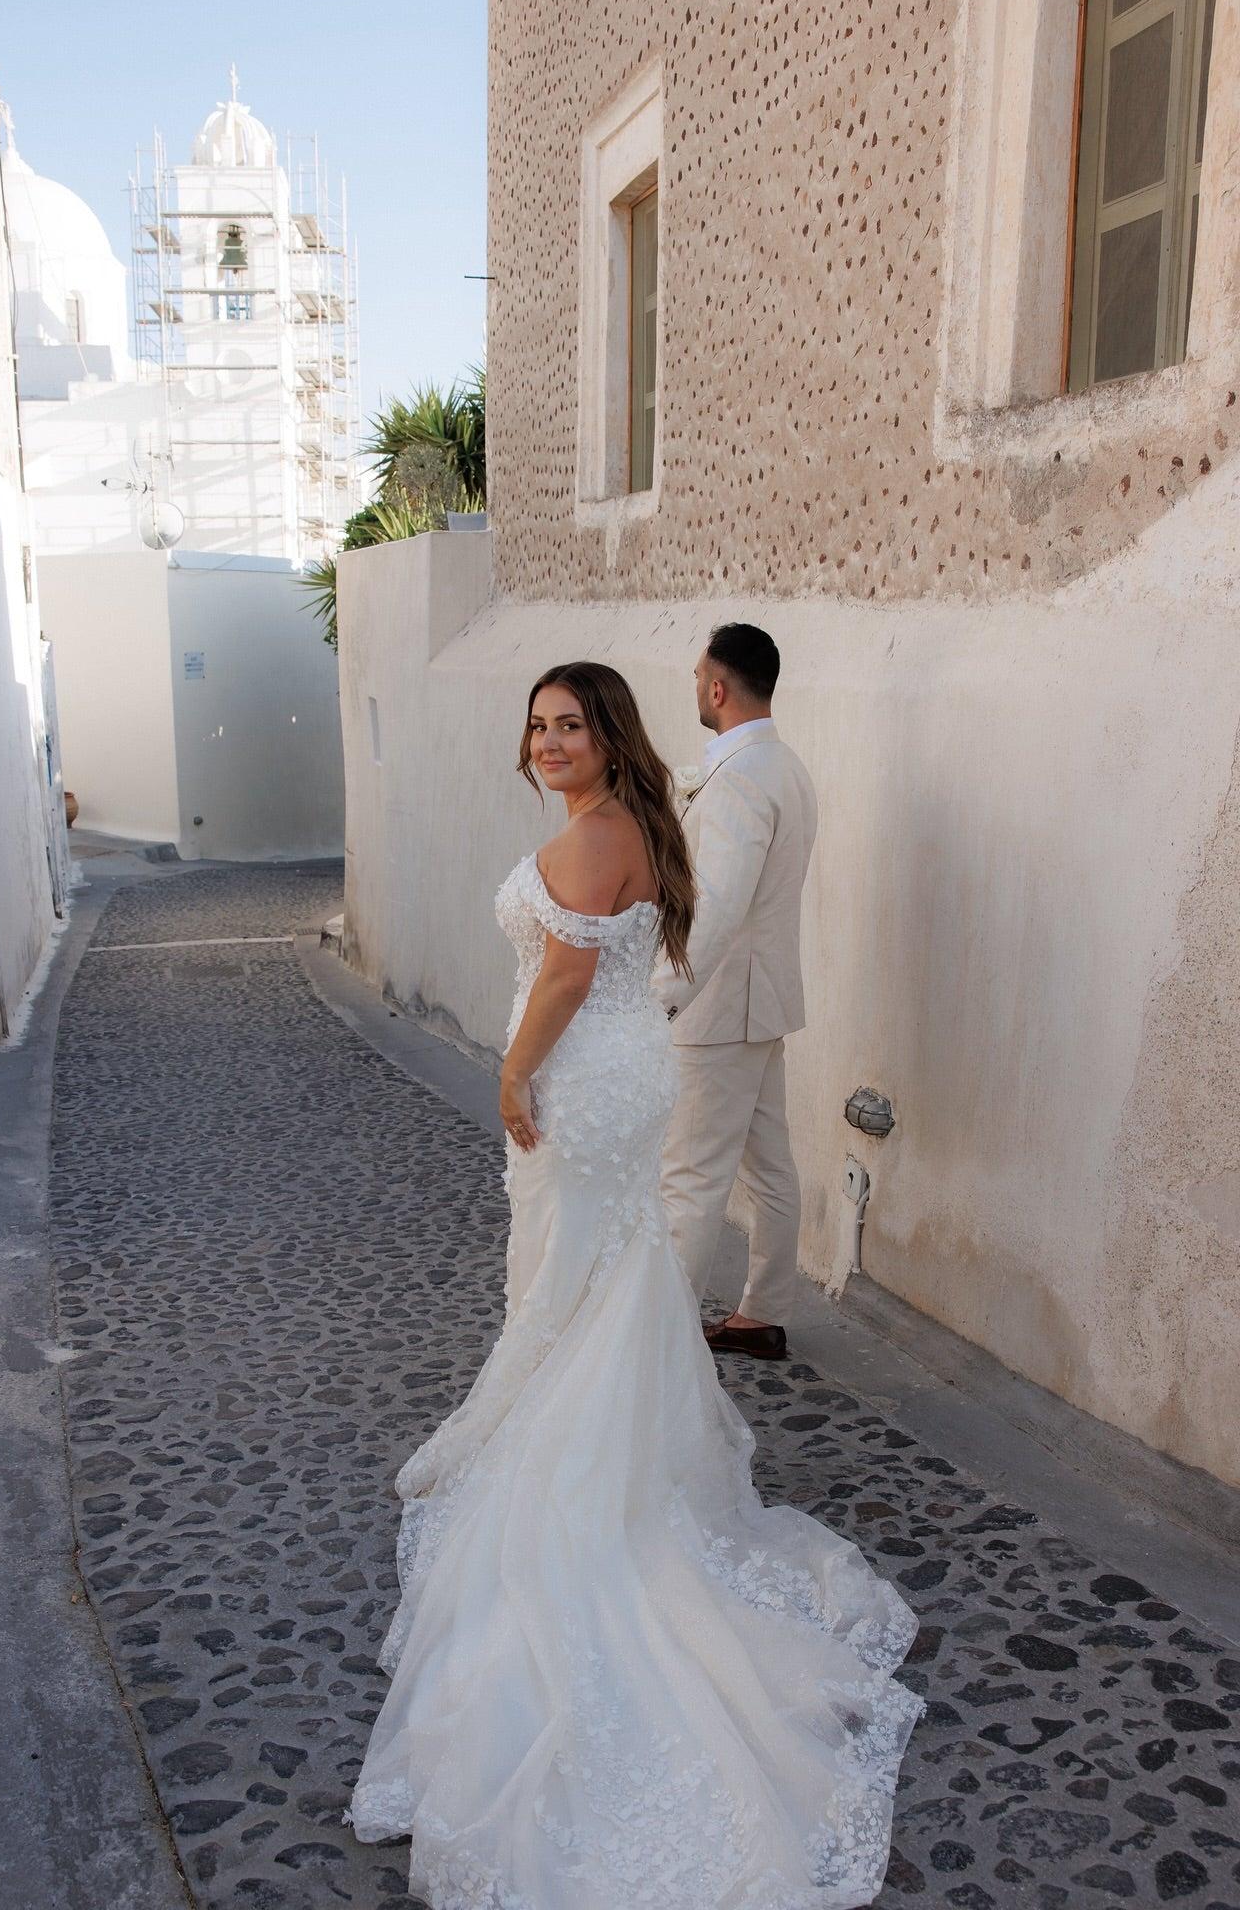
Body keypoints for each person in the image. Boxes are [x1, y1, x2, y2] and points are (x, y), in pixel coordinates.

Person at [346, 660, 920, 1910]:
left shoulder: (596, 835)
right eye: (537, 724)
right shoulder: (634, 824)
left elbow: (560, 978)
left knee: (569, 1277)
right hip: (620, 1072)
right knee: (598, 1273)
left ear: (610, 737)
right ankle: (601, 1447)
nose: (549, 741)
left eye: (571, 724)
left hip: (582, 1078)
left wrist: (510, 1074)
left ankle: (572, 1477)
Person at [656, 622, 817, 1360]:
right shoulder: (787, 767)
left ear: (718, 688)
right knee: (770, 1166)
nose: (695, 686)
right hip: (762, 1000)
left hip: (719, 1008)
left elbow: (718, 907)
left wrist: (664, 995)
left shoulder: (743, 778)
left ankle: (661, 1342)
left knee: (691, 1178)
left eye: (699, 676)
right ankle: (763, 1313)